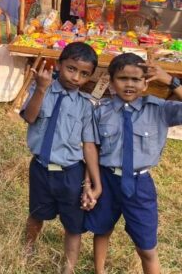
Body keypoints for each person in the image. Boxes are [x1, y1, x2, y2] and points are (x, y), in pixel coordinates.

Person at [85, 54, 182, 274]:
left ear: (145, 83)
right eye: (122, 78)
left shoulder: (159, 109)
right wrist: (90, 184)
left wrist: (171, 81)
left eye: (136, 79)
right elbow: (93, 149)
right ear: (111, 82)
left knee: (147, 247)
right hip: (106, 180)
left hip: (140, 185)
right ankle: (99, 271)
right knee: (102, 230)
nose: (129, 84)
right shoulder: (100, 111)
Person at [20, 42, 101, 274]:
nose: (76, 77)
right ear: (58, 65)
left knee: (74, 224)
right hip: (40, 168)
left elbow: (89, 146)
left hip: (71, 173)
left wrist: (94, 182)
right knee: (36, 214)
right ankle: (27, 250)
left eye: (84, 74)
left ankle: (68, 267)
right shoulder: (41, 89)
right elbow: (29, 117)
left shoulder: (85, 106)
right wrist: (41, 89)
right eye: (71, 69)